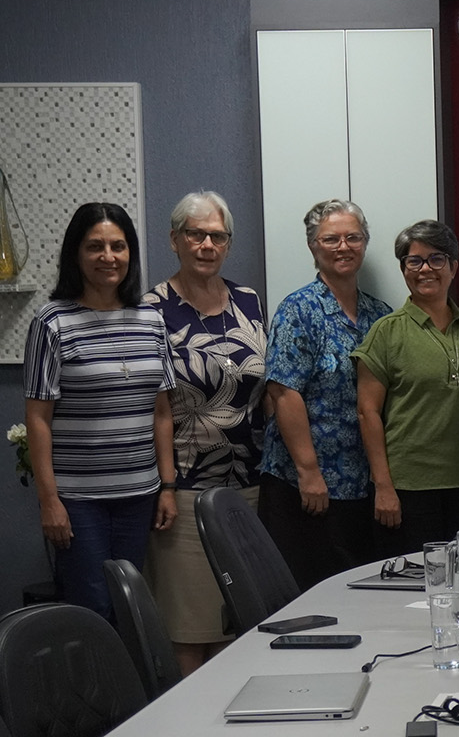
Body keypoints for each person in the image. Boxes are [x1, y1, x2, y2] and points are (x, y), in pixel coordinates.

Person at [22, 202, 177, 621]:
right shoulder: (52, 322)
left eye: (118, 246)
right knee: (93, 609)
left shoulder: (151, 319)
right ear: (76, 253)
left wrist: (167, 485)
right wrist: (49, 500)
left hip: (139, 494)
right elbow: (38, 419)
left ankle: (131, 690)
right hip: (78, 501)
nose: (108, 257)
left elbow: (161, 411)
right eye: (95, 247)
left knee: (131, 608)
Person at [142, 192, 267, 673]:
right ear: (175, 240)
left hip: (249, 489)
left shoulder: (250, 302)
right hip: (186, 487)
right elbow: (155, 407)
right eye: (196, 234)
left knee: (238, 624)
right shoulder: (151, 309)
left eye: (217, 235)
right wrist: (167, 486)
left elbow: (265, 388)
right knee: (189, 627)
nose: (207, 244)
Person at [258, 199, 391, 590]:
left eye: (353, 237)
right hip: (305, 487)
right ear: (313, 247)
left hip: (361, 486)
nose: (343, 246)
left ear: (365, 243)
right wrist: (309, 472)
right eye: (330, 239)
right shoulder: (297, 310)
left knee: (357, 596)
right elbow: (284, 392)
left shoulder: (379, 315)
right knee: (307, 597)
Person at [353, 221, 459, 556]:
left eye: (437, 259)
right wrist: (383, 486)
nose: (426, 269)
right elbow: (367, 411)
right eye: (414, 261)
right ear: (404, 270)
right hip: (408, 488)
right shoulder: (386, 331)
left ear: (453, 267)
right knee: (412, 591)